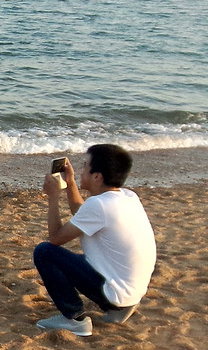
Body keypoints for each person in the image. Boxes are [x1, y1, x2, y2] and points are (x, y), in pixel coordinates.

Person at [33, 144, 156, 337]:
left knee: (45, 252)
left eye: (85, 167)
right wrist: (71, 183)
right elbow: (83, 214)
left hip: (114, 294)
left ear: (97, 176)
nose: (81, 170)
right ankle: (120, 308)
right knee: (75, 258)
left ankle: (74, 319)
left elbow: (55, 238)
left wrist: (53, 197)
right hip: (132, 292)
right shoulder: (128, 196)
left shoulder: (99, 205)